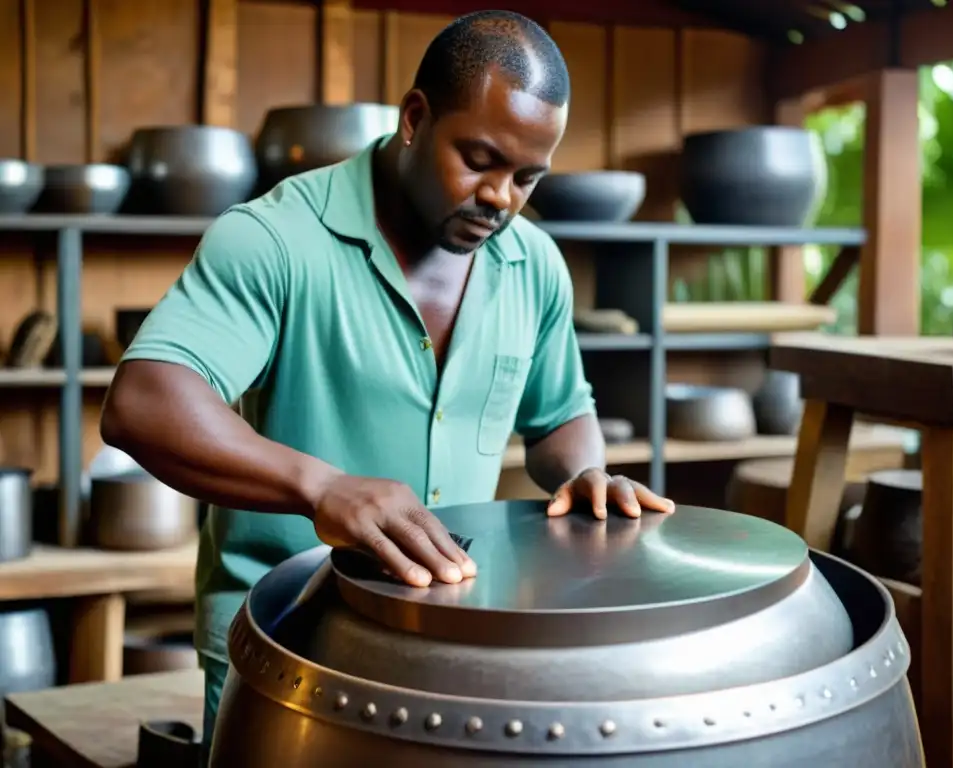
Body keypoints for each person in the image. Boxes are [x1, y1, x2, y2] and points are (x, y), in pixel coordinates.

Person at [99, 8, 675, 760]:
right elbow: (144, 403)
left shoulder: (535, 267)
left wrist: (587, 474)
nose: (501, 197)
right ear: (414, 118)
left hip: (456, 656)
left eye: (527, 178)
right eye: (479, 159)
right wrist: (322, 488)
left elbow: (561, 414)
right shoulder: (275, 240)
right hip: (289, 653)